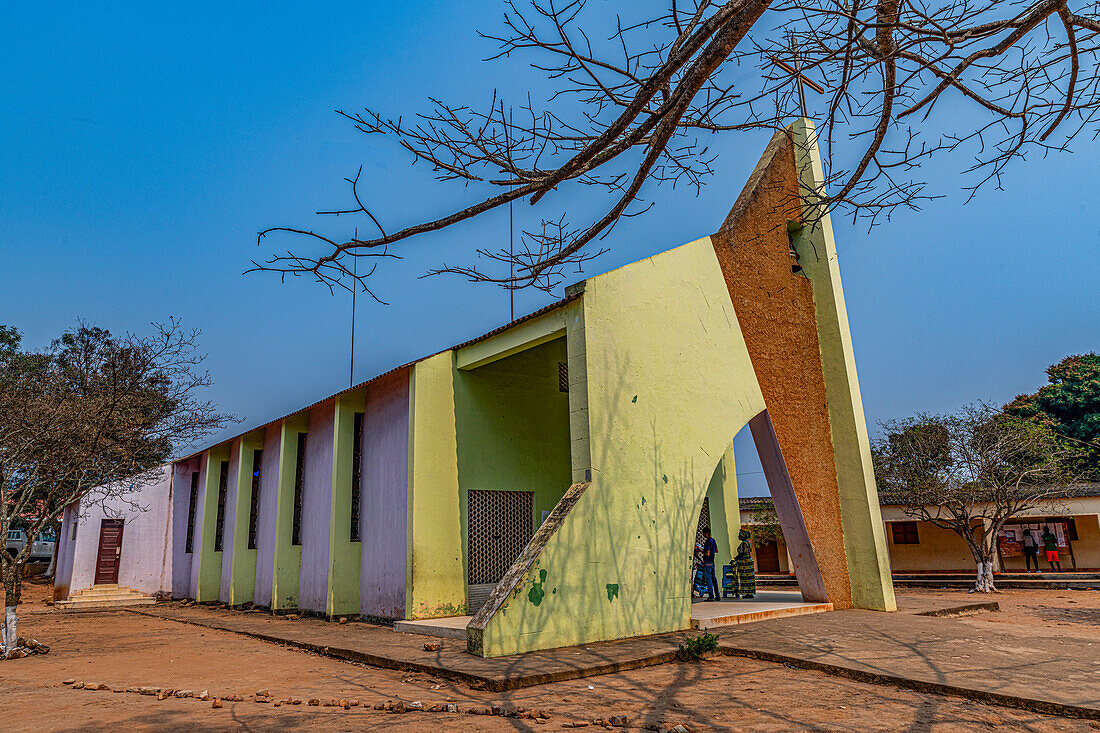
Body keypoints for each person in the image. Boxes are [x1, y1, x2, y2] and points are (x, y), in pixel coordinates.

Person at [733, 528, 756, 599]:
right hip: (748, 562)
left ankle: (747, 593)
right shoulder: (748, 542)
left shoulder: (744, 543)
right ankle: (749, 593)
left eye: (739, 535)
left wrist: (736, 558)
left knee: (745, 579)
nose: (738, 536)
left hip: (745, 563)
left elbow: (743, 553)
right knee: (748, 578)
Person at [700, 528, 720, 601]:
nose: (703, 534)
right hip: (712, 562)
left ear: (706, 533)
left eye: (703, 533)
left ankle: (711, 596)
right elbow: (717, 550)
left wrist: (701, 550)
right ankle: (717, 595)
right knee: (714, 579)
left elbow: (707, 553)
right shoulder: (713, 540)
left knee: (708, 580)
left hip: (707, 562)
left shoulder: (708, 541)